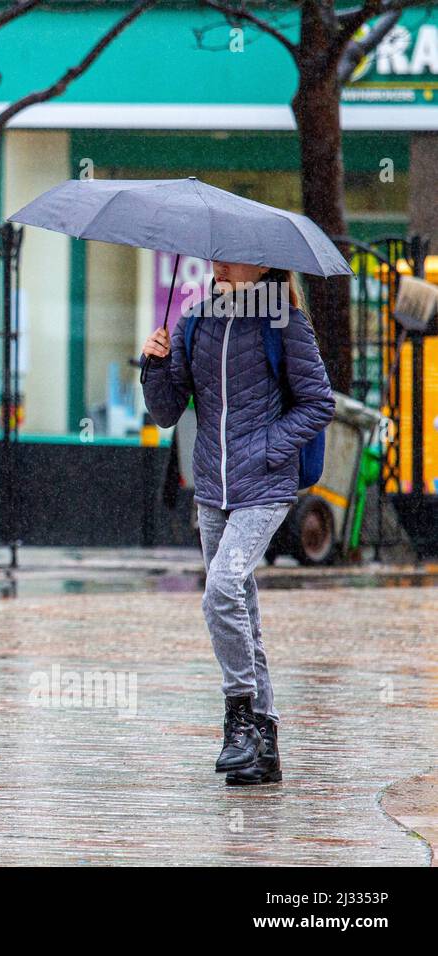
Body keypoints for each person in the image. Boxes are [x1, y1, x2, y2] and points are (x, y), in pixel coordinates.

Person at [141, 261, 334, 786]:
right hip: (212, 491)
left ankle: (240, 718)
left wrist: (268, 449)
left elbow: (319, 403)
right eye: (215, 255)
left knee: (221, 590)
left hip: (266, 488)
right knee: (242, 607)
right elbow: (165, 412)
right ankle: (264, 746)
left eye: (231, 256)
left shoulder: (283, 321)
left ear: (262, 265)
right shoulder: (195, 321)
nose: (218, 264)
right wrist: (153, 365)